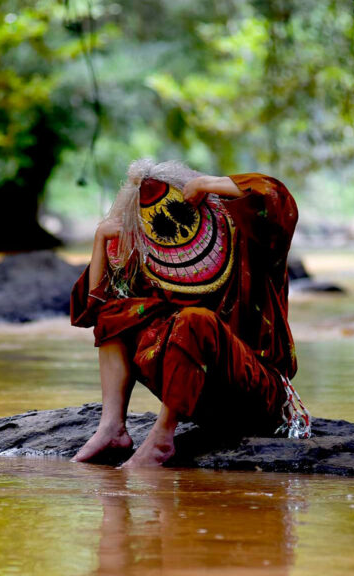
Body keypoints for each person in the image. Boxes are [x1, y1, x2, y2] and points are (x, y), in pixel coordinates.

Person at [69, 159, 311, 468]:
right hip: (203, 400)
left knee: (194, 321)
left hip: (260, 396)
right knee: (118, 314)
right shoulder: (149, 261)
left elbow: (276, 196)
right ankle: (112, 427)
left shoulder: (250, 239)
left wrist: (209, 183)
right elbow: (94, 313)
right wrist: (100, 240)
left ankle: (162, 437)